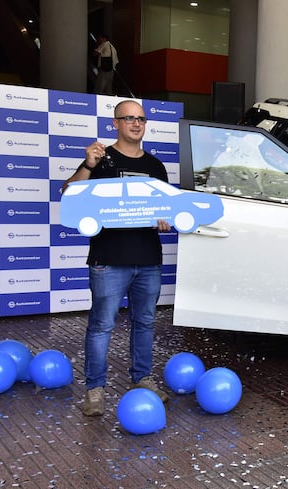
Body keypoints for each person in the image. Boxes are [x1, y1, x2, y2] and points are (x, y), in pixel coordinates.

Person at [62, 100, 171, 416]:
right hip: (109, 259)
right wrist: (88, 165)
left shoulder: (155, 166)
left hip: (148, 259)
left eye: (141, 119)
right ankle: (95, 390)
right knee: (101, 326)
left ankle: (142, 378)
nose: (136, 124)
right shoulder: (101, 159)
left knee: (145, 323)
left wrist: (164, 218)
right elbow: (70, 196)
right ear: (115, 123)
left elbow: (162, 210)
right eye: (128, 118)